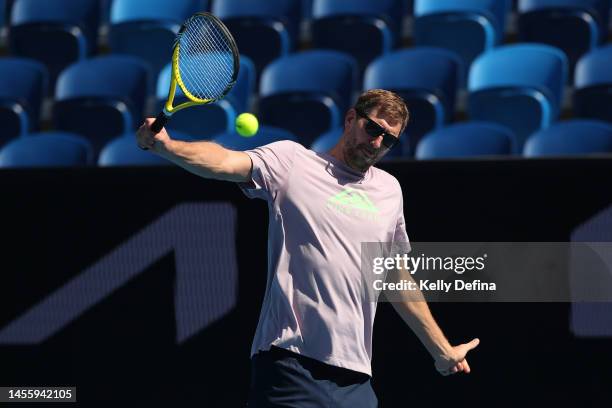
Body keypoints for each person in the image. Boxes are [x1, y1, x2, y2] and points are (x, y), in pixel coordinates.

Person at [136, 89, 479, 407]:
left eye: (388, 139)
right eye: (372, 129)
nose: (377, 142)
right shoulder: (291, 162)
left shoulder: (390, 191)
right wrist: (168, 146)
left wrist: (441, 349)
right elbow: (226, 162)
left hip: (356, 379)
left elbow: (393, 276)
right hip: (290, 362)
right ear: (350, 119)